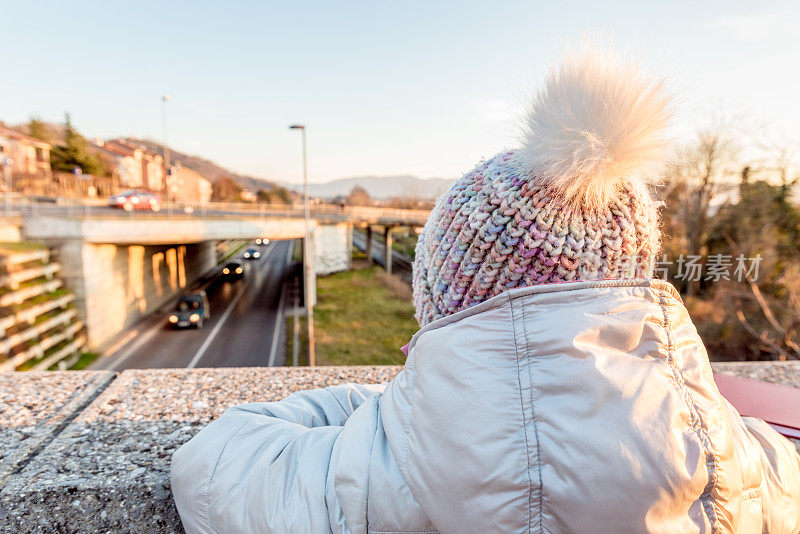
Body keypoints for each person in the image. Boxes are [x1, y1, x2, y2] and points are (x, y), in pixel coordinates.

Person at [171, 46, 800, 533]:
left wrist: (404, 400)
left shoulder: (386, 475)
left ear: (448, 302)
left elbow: (213, 463)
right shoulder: (736, 464)